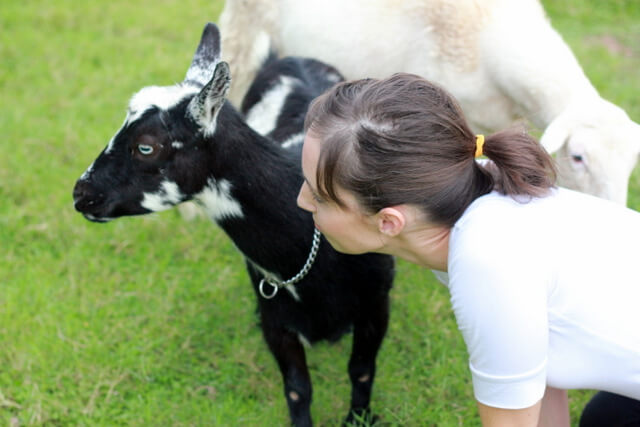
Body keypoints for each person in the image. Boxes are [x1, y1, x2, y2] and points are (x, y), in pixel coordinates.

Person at [296, 73, 640, 426]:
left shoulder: (487, 258)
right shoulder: (454, 193)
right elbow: (532, 369)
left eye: (319, 195)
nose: (301, 201)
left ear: (389, 222)